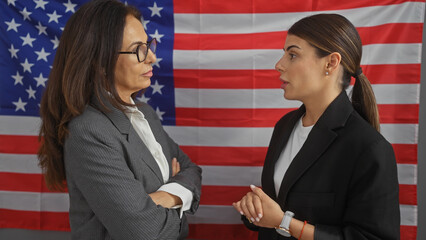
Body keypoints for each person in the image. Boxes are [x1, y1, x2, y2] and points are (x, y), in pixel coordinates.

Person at [37, 0, 202, 239]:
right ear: (100, 63)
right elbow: (145, 232)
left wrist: (167, 196)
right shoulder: (88, 131)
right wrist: (180, 196)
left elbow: (191, 170)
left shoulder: (145, 114)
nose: (152, 57)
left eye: (148, 44)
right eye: (139, 49)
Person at [233, 14, 400, 240]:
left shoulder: (369, 148)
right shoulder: (285, 126)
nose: (279, 65)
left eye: (292, 55)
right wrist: (255, 207)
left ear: (331, 63)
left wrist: (284, 222)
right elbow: (277, 205)